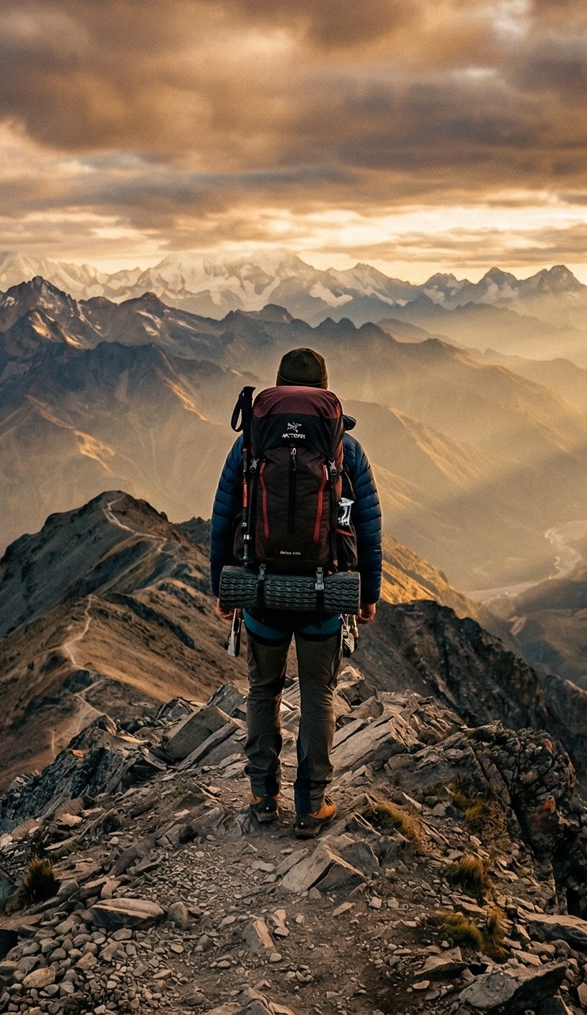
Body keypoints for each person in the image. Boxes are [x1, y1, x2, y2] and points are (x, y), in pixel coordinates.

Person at [210, 347, 383, 837]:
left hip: (261, 591)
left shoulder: (250, 441)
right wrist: (368, 592)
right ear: (326, 391)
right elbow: (366, 524)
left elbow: (224, 516)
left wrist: (222, 586)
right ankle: (310, 807)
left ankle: (263, 798)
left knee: (263, 691)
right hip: (324, 593)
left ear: (278, 386)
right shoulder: (344, 449)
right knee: (318, 695)